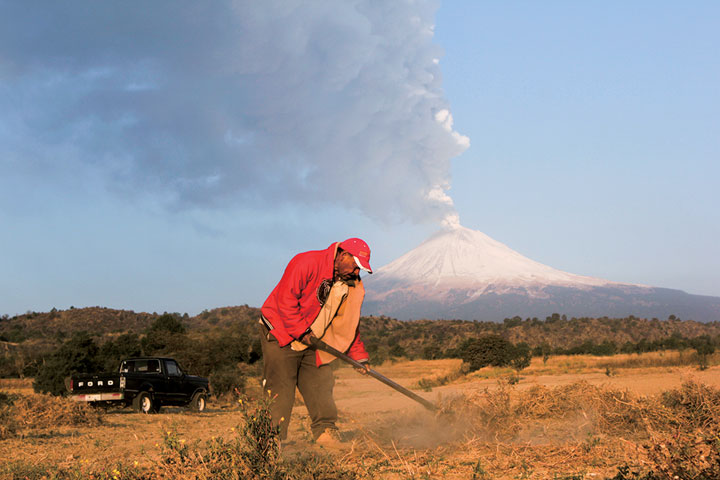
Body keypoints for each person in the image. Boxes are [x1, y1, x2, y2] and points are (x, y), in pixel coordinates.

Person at [259, 238, 373, 446]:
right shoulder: (306, 263)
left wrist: (359, 356)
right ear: (343, 254)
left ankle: (325, 433)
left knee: (321, 382)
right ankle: (271, 442)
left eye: (361, 269)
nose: (357, 272)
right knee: (282, 388)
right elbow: (286, 301)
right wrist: (302, 332)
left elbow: (350, 322)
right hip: (281, 332)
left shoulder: (351, 284)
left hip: (313, 339)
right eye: (356, 266)